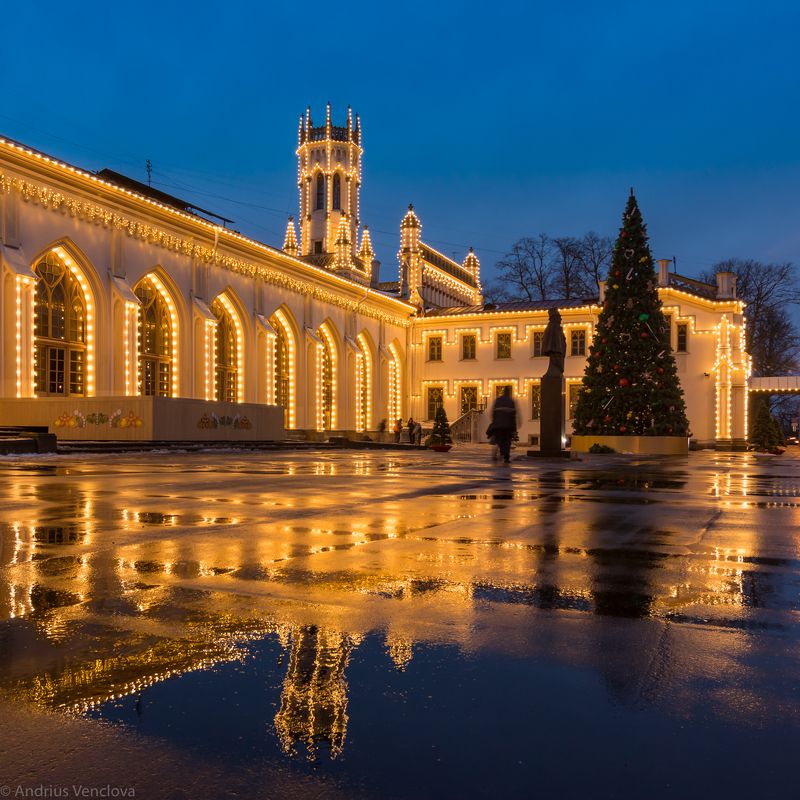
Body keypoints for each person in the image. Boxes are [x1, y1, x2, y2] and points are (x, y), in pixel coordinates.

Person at [489, 386, 518, 464]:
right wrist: (514, 427)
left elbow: (493, 413)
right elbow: (513, 415)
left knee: (499, 440)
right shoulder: (511, 401)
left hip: (498, 425)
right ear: (509, 392)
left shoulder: (498, 400)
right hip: (508, 426)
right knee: (507, 441)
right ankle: (506, 457)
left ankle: (500, 453)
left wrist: (494, 423)